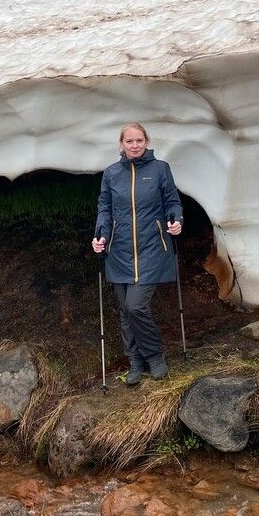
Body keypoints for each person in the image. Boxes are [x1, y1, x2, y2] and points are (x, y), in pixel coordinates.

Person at [92, 123, 183, 384]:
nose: (134, 145)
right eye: (129, 141)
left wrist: (176, 220)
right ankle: (134, 362)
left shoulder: (159, 169)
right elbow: (105, 210)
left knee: (136, 305)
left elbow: (173, 202)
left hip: (152, 247)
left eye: (139, 140)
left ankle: (154, 357)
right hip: (119, 251)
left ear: (146, 142)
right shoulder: (111, 174)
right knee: (125, 310)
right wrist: (100, 237)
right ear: (121, 144)